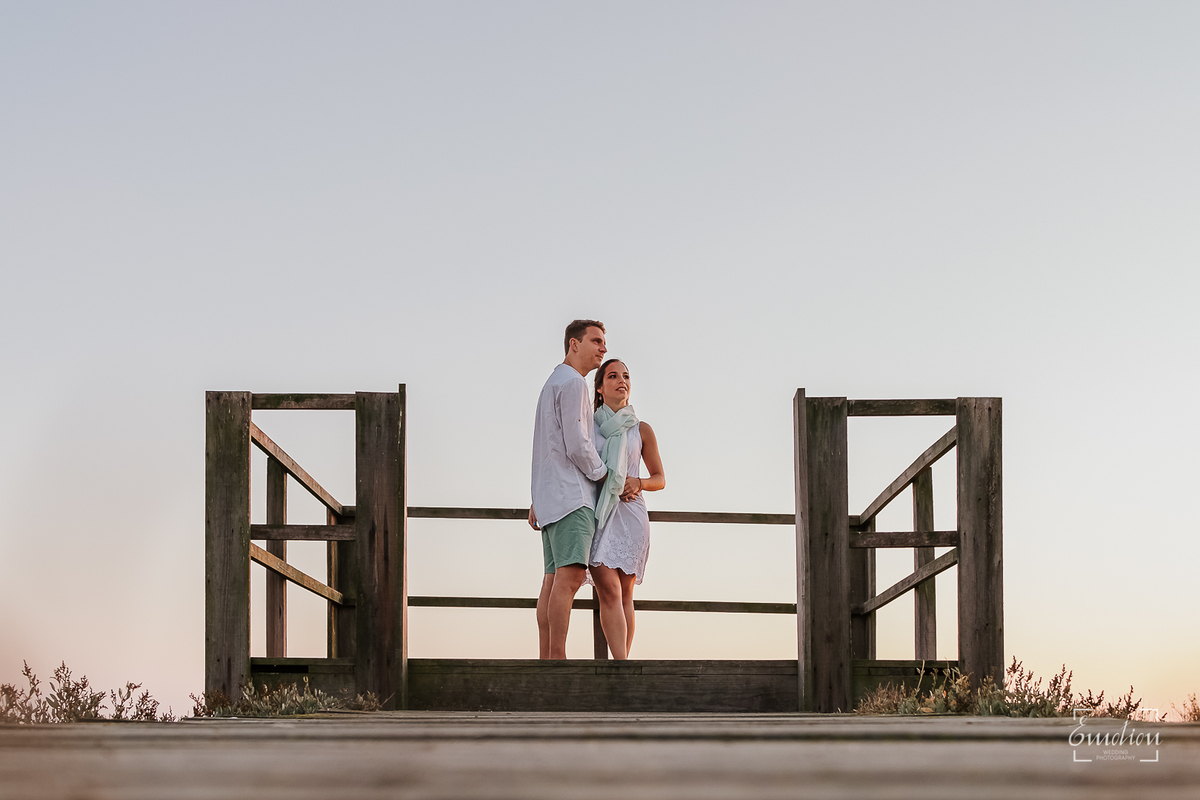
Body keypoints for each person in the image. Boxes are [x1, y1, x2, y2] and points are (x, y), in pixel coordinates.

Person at [528, 320, 610, 659]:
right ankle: (557, 662)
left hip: (551, 498)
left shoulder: (552, 383)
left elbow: (543, 448)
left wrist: (537, 498)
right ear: (574, 344)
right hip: (572, 496)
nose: (603, 349)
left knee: (552, 581)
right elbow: (577, 443)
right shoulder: (574, 383)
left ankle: (547, 659)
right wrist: (605, 476)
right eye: (596, 341)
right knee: (571, 577)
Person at [586, 358, 665, 660]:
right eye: (613, 376)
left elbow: (660, 478)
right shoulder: (588, 425)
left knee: (626, 595)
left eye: (626, 376)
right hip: (599, 512)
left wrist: (640, 482)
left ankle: (622, 665)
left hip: (631, 514)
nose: (622, 380)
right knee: (609, 591)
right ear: (600, 387)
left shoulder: (640, 429)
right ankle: (620, 666)